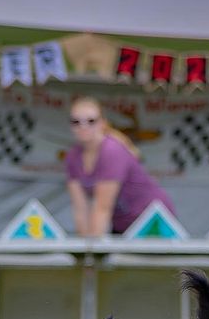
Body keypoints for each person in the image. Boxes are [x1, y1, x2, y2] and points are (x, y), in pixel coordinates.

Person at [64, 97, 174, 236]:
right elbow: (80, 209)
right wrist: (82, 245)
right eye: (76, 121)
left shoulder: (111, 150)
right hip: (122, 223)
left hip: (153, 219)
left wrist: (91, 247)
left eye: (91, 121)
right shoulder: (73, 156)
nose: (83, 126)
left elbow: (102, 208)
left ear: (103, 123)